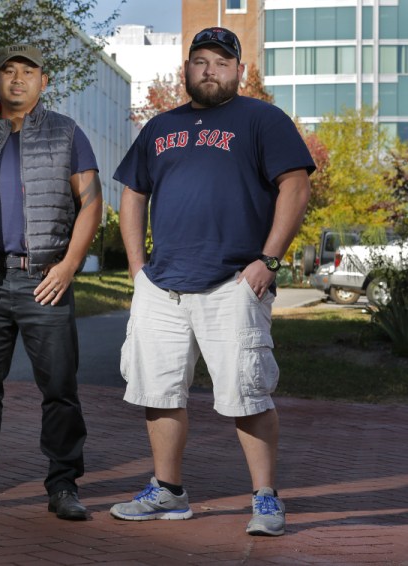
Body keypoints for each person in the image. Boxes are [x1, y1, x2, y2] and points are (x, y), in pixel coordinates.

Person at [109, 28, 314, 536]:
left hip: (233, 283)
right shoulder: (159, 126)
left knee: (248, 394)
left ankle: (265, 499)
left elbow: (296, 184)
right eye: (199, 61)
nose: (209, 70)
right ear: (186, 70)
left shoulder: (262, 119)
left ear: (239, 71)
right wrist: (138, 269)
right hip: (163, 286)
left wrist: (269, 258)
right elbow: (133, 192)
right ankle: (168, 492)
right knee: (159, 393)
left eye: (221, 62)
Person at [0, 44, 103, 521]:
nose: (17, 79)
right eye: (7, 70)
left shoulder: (67, 132)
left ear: (43, 82)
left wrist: (68, 266)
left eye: (28, 71)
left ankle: (64, 486)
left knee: (59, 389)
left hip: (43, 279)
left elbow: (91, 204)